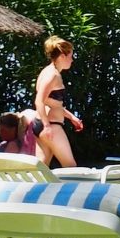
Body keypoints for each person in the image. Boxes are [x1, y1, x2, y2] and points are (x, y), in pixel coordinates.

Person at [33, 37, 84, 169]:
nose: (72, 60)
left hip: (41, 125)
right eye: (71, 56)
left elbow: (52, 103)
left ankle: (34, 190)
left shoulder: (47, 71)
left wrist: (71, 117)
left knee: (42, 170)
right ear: (62, 56)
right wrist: (47, 125)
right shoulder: (53, 75)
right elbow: (39, 101)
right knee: (71, 168)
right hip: (50, 125)